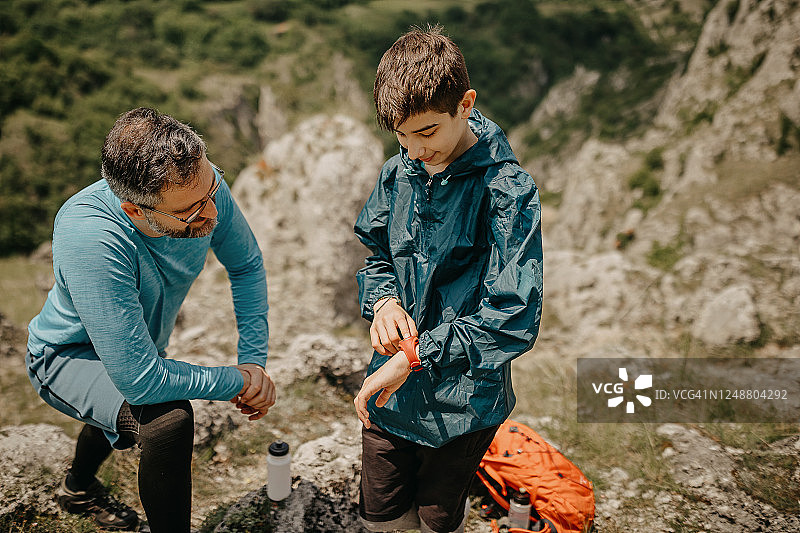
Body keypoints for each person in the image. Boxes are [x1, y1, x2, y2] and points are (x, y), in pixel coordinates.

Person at [25, 107, 275, 532]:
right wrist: (237, 380)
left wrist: (254, 361)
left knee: (123, 406)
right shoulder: (91, 235)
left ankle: (78, 489)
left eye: (211, 191)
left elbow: (246, 265)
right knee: (166, 419)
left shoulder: (199, 184)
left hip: (136, 345)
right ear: (136, 212)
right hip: (66, 357)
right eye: (192, 212)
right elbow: (141, 380)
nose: (213, 214)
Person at [352, 26, 543, 533]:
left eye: (427, 132)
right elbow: (377, 255)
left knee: (439, 519)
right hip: (391, 390)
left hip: (466, 402)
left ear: (465, 103)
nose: (414, 150)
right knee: (383, 514)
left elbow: (514, 315)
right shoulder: (401, 172)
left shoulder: (506, 191)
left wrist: (415, 357)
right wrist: (385, 301)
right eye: (401, 136)